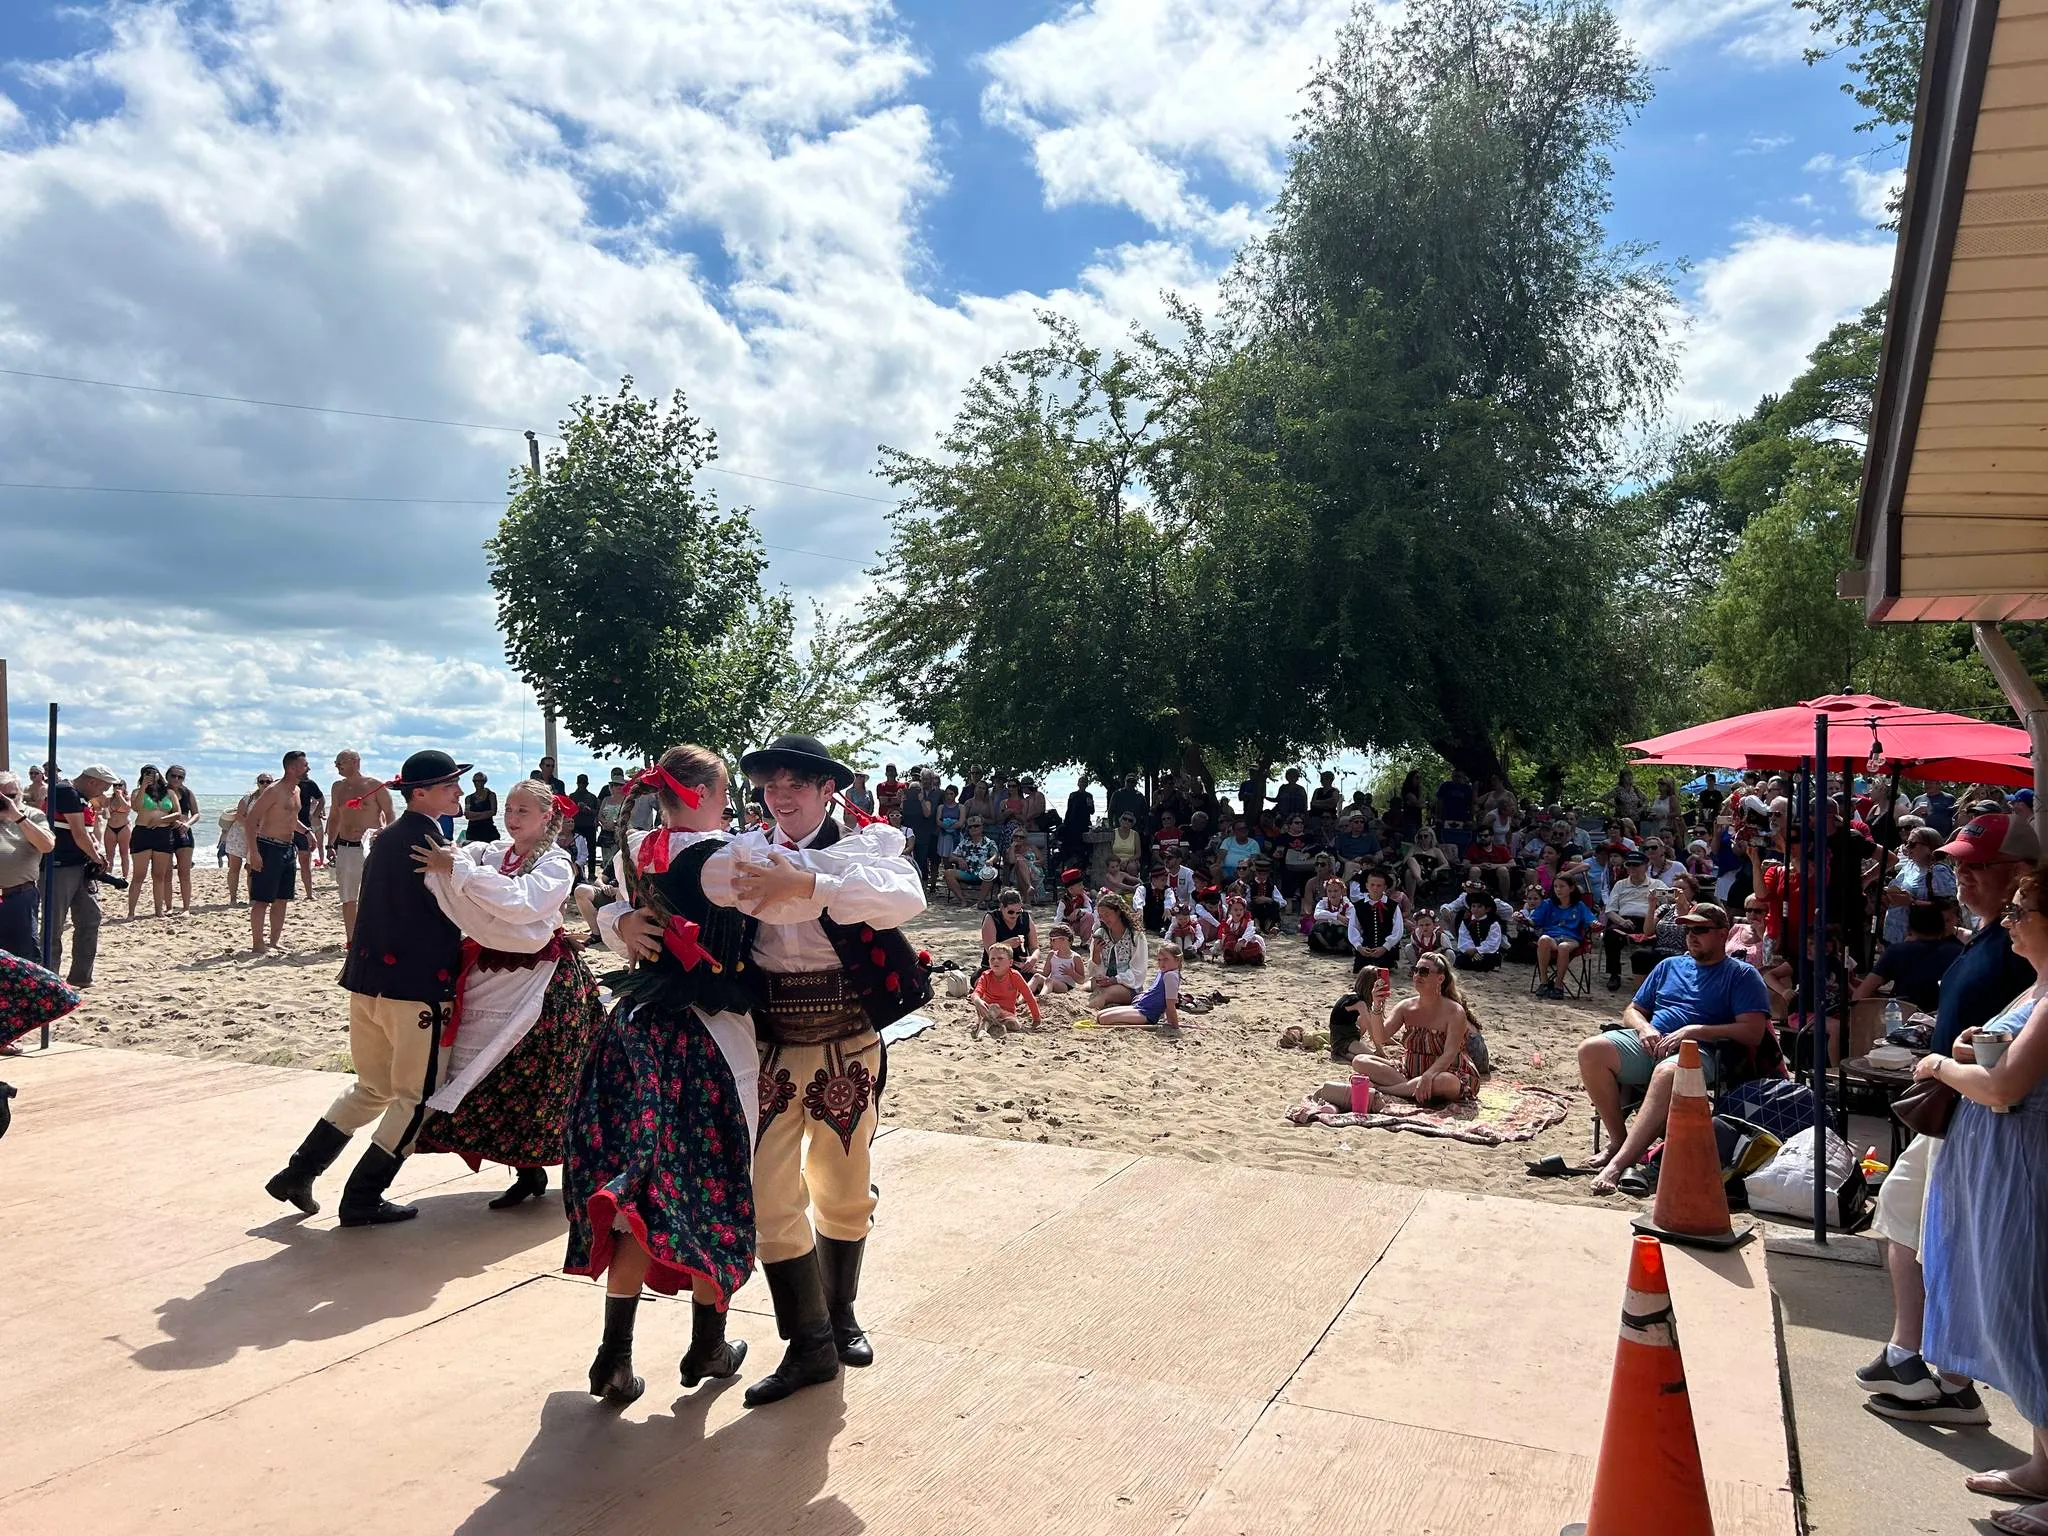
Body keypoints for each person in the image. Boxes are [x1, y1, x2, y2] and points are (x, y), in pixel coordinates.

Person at [703, 733, 928, 1408]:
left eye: (796, 784)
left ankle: (841, 1315)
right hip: (769, 1040)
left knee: (843, 1185)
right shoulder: (745, 848)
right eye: (771, 786)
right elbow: (683, 886)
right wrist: (623, 918)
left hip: (846, 1041)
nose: (781, 796)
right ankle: (809, 1344)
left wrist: (812, 884)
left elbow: (905, 901)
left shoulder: (865, 848)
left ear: (830, 790)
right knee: (770, 1195)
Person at [571, 746, 761, 1406]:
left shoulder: (643, 848)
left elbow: (603, 909)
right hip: (705, 1037)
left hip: (635, 1027)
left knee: (642, 1195)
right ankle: (708, 1345)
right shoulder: (721, 857)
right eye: (727, 790)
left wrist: (608, 912)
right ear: (707, 791)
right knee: (715, 1188)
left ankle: (612, 1359)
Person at [1858, 813, 2037, 1426]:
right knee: (1905, 1216)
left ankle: (1942, 1371)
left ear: (2020, 874)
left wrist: (1950, 1062)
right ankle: (1917, 1355)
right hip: (1957, 1111)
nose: (1959, 874)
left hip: (1984, 1120)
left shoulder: (2022, 948)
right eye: (1956, 863)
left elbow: (2012, 1065)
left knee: (1940, 1236)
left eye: (1975, 866)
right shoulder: (1992, 939)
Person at [263, 750, 468, 1227]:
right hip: (413, 987)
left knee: (372, 1087)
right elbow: (458, 906)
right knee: (415, 1099)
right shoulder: (423, 841)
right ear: (420, 794)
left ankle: (299, 1172)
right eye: (449, 785)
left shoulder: (392, 836)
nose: (458, 791)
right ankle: (361, 1197)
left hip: (368, 982)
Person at [1907, 867, 2048, 1528]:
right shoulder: (2036, 988)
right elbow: (1998, 1062)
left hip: (2028, 1177)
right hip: (2002, 1173)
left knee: (2031, 1320)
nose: (2010, 920)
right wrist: (1970, 1047)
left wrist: (1940, 1066)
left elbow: (2004, 1088)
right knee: (2012, 1315)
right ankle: (2044, 1462)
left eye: (2021, 910)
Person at [409, 780, 606, 1209]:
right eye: (510, 810)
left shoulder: (556, 863)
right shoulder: (491, 853)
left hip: (545, 983)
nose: (512, 819)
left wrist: (458, 872)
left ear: (546, 816)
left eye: (522, 812)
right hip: (492, 973)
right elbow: (457, 862)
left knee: (545, 1077)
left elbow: (524, 903)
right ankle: (525, 1170)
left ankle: (573, 1171)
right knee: (486, 1069)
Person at [1581, 903, 1778, 1195]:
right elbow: (1633, 1009)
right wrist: (1644, 1027)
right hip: (1652, 1040)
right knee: (1591, 1050)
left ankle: (1619, 1162)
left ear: (1723, 934)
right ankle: (1619, 1141)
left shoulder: (1741, 974)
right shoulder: (1669, 965)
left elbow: (1752, 1032)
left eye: (1700, 929)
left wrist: (1693, 1031)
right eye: (1687, 930)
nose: (1691, 936)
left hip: (1704, 1051)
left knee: (1668, 1071)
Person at [1320, 952, 1480, 1107]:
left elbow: (1449, 1053)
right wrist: (1377, 1005)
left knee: (1447, 1082)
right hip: (1410, 1071)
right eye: (1415, 970)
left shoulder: (1454, 1011)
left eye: (1423, 972)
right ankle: (1411, 1089)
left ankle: (1385, 1090)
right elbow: (1381, 1036)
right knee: (1360, 1061)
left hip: (1446, 1071)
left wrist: (1428, 1076)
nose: (1417, 975)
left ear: (1440, 978)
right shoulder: (1406, 1006)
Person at [45, 763, 114, 988]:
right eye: (102, 788)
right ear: (92, 781)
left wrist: (96, 853)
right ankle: (50, 978)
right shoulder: (66, 792)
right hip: (59, 865)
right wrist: (96, 857)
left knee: (90, 918)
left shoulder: (82, 799)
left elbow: (86, 832)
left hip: (80, 865)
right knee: (53, 925)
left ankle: (81, 976)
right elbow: (79, 833)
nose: (102, 794)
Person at [241, 751, 314, 955]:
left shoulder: (296, 790)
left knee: (282, 899)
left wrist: (307, 832)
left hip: (288, 848)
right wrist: (254, 852)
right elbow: (250, 820)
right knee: (263, 899)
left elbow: (291, 819)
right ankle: (258, 944)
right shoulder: (274, 790)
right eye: (304, 765)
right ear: (292, 768)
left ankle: (274, 942)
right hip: (268, 846)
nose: (308, 768)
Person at [328, 751, 394, 948]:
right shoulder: (337, 787)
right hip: (346, 846)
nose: (337, 766)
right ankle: (352, 939)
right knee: (348, 897)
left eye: (341, 762)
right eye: (336, 762)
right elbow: (334, 816)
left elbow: (390, 813)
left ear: (355, 762)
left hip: (369, 848)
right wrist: (330, 844)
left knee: (373, 894)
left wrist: (385, 834)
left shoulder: (373, 785)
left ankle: (376, 936)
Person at [1855, 900, 1964, 1015]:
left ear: (1910, 929)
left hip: (1903, 1021)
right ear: (1942, 928)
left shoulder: (1896, 951)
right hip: (1945, 1019)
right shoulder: (1959, 953)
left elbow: (1860, 996)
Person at [0, 772, 54, 962]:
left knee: (23, 957)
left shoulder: (32, 815)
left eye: (11, 796)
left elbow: (47, 845)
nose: (5, 801)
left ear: (21, 794)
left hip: (18, 895)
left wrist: (17, 816)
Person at [1602, 851, 1668, 991]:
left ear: (1645, 866)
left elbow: (1668, 902)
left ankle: (1655, 975)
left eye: (1636, 865)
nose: (1632, 868)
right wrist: (1621, 921)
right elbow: (1610, 910)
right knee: (1610, 934)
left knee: (1664, 934)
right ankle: (1614, 974)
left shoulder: (1657, 884)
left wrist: (1656, 913)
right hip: (1626, 921)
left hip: (1649, 920)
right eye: (1629, 865)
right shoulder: (1620, 885)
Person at [1883, 826, 1957, 947]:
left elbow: (1949, 905)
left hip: (1922, 939)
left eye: (1912, 844)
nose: (1907, 847)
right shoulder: (1910, 865)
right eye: (1906, 843)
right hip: (1895, 935)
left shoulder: (1938, 871)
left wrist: (1912, 902)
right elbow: (1895, 887)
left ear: (1929, 846)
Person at [1530, 874, 1599, 998]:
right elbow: (1534, 921)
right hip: (1551, 937)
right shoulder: (1547, 904)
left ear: (1571, 888)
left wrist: (1594, 924)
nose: (1558, 889)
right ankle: (1544, 982)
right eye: (1555, 886)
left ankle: (1558, 985)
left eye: (1562, 886)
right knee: (1543, 939)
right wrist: (1523, 919)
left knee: (1563, 946)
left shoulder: (1579, 906)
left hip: (1571, 939)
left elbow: (1591, 920)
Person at [126, 765, 177, 920]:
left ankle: (159, 911)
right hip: (143, 832)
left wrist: (162, 819)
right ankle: (131, 912)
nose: (151, 776)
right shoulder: (137, 792)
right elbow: (135, 807)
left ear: (158, 774)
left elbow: (177, 813)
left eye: (153, 773)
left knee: (159, 875)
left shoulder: (169, 792)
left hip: (163, 833)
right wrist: (143, 787)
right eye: (146, 773)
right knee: (138, 875)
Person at [1092, 942, 1182, 1030]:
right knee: (1100, 1015)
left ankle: (1130, 1024)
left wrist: (1174, 1025)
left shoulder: (1171, 976)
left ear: (1177, 960)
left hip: (1148, 1013)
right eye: (1159, 960)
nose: (1161, 963)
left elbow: (1170, 1004)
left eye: (1165, 959)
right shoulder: (1163, 972)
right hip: (1141, 1006)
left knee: (1104, 1019)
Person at [1088, 892, 1146, 1008]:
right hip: (1105, 981)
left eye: (1107, 914)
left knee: (1102, 993)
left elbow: (1138, 972)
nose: (1104, 919)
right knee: (1090, 985)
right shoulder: (1100, 934)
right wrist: (1096, 953)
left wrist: (1114, 980)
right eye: (1101, 916)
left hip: (1128, 985)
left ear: (1118, 912)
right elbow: (1094, 970)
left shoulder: (1136, 936)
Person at [971, 942, 1042, 1037]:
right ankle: (982, 1031)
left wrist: (1036, 1018)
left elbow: (1029, 997)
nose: (995, 961)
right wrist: (977, 1000)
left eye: (1000, 958)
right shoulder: (986, 976)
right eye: (992, 959)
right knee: (994, 1008)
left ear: (1010, 962)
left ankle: (994, 1024)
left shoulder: (1015, 976)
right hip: (987, 1009)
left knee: (1015, 1025)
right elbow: (976, 993)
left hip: (1006, 1013)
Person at [222, 772, 267, 906]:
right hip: (239, 834)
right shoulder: (249, 797)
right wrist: (253, 825)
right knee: (234, 867)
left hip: (256, 835)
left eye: (268, 782)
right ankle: (233, 899)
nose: (265, 784)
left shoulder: (271, 798)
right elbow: (239, 816)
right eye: (261, 781)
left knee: (252, 868)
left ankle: (252, 898)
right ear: (257, 783)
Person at [1347, 869, 1404, 965]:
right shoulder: (1358, 906)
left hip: (1386, 950)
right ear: (1366, 885)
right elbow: (1353, 928)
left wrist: (1385, 947)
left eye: (1379, 886)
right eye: (1372, 885)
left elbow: (1398, 930)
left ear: (1384, 887)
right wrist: (1359, 946)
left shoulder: (1392, 906)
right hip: (1365, 950)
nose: (1375, 889)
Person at [979, 888, 1038, 979]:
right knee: (980, 979)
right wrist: (1006, 944)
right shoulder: (992, 918)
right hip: (995, 968)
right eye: (1010, 912)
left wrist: (1032, 959)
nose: (1014, 915)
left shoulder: (1025, 917)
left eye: (1018, 912)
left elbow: (1034, 947)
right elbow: (989, 950)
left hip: (1020, 967)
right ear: (1002, 907)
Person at [943, 816, 999, 906]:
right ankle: (962, 900)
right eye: (970, 827)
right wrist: (959, 859)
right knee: (948, 873)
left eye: (976, 826)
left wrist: (990, 860)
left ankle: (979, 903)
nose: (973, 828)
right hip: (967, 873)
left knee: (990, 875)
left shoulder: (989, 842)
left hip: (983, 873)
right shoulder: (964, 842)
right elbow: (951, 857)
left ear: (982, 827)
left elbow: (995, 855)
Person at [296, 768, 325, 897]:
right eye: (304, 766)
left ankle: (309, 893)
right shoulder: (284, 784)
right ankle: (287, 891)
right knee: (287, 862)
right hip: (286, 827)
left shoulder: (310, 784)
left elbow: (322, 800)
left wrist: (315, 815)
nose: (308, 769)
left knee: (305, 861)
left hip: (304, 827)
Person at [1218, 893, 1267, 965]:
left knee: (1255, 946)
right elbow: (1225, 935)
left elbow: (1250, 932)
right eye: (1236, 910)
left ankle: (1249, 959)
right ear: (1230, 911)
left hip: (1246, 943)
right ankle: (1234, 959)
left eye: (1241, 910)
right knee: (1229, 942)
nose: (1238, 912)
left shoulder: (1248, 921)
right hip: (1235, 945)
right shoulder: (1229, 922)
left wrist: (1243, 941)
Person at [1307, 876, 1352, 955]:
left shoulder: (1347, 904)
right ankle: (1325, 948)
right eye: (1329, 891)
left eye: (1336, 891)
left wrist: (1328, 918)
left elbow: (1348, 921)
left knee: (1343, 930)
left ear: (1341, 891)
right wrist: (1337, 916)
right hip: (1328, 933)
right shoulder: (1323, 903)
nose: (1332, 894)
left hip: (1340, 935)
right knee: (1317, 927)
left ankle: (1341, 949)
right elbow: (1317, 915)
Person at [569, 774, 601, 878]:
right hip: (576, 826)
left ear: (587, 784)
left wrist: (588, 809)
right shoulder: (572, 796)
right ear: (577, 783)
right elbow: (568, 811)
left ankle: (591, 873)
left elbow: (597, 812)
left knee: (592, 849)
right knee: (575, 849)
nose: (582, 785)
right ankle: (577, 872)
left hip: (589, 826)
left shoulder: (592, 797)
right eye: (580, 782)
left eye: (584, 783)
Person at [1055, 868, 1097, 944]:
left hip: (1079, 924)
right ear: (1071, 889)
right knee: (1064, 929)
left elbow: (1090, 910)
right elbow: (1058, 918)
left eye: (1082, 884)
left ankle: (1085, 941)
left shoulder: (1083, 897)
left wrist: (1079, 910)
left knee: (1089, 916)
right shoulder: (1063, 902)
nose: (1082, 887)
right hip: (1067, 925)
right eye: (1079, 885)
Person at [463, 771, 500, 845]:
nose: (477, 783)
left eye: (480, 781)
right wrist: (485, 814)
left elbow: (493, 812)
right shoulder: (468, 798)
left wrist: (474, 816)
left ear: (484, 782)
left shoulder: (491, 795)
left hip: (488, 830)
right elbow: (467, 815)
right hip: (472, 831)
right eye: (475, 781)